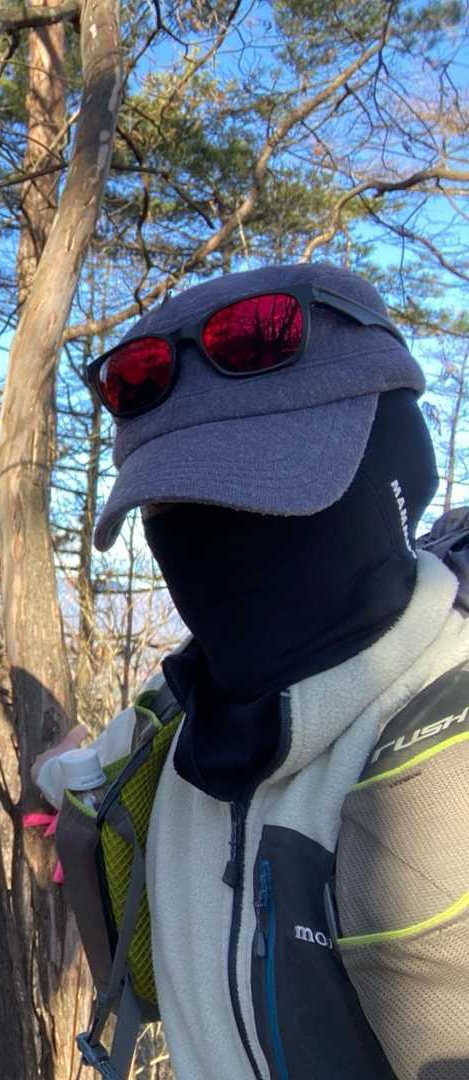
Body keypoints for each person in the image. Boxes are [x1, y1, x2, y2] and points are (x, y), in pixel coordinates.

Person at [51, 263, 469, 1079]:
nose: (217, 545)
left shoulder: (442, 759)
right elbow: (82, 772)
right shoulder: (176, 725)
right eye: (175, 508)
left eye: (263, 499)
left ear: (393, 469)